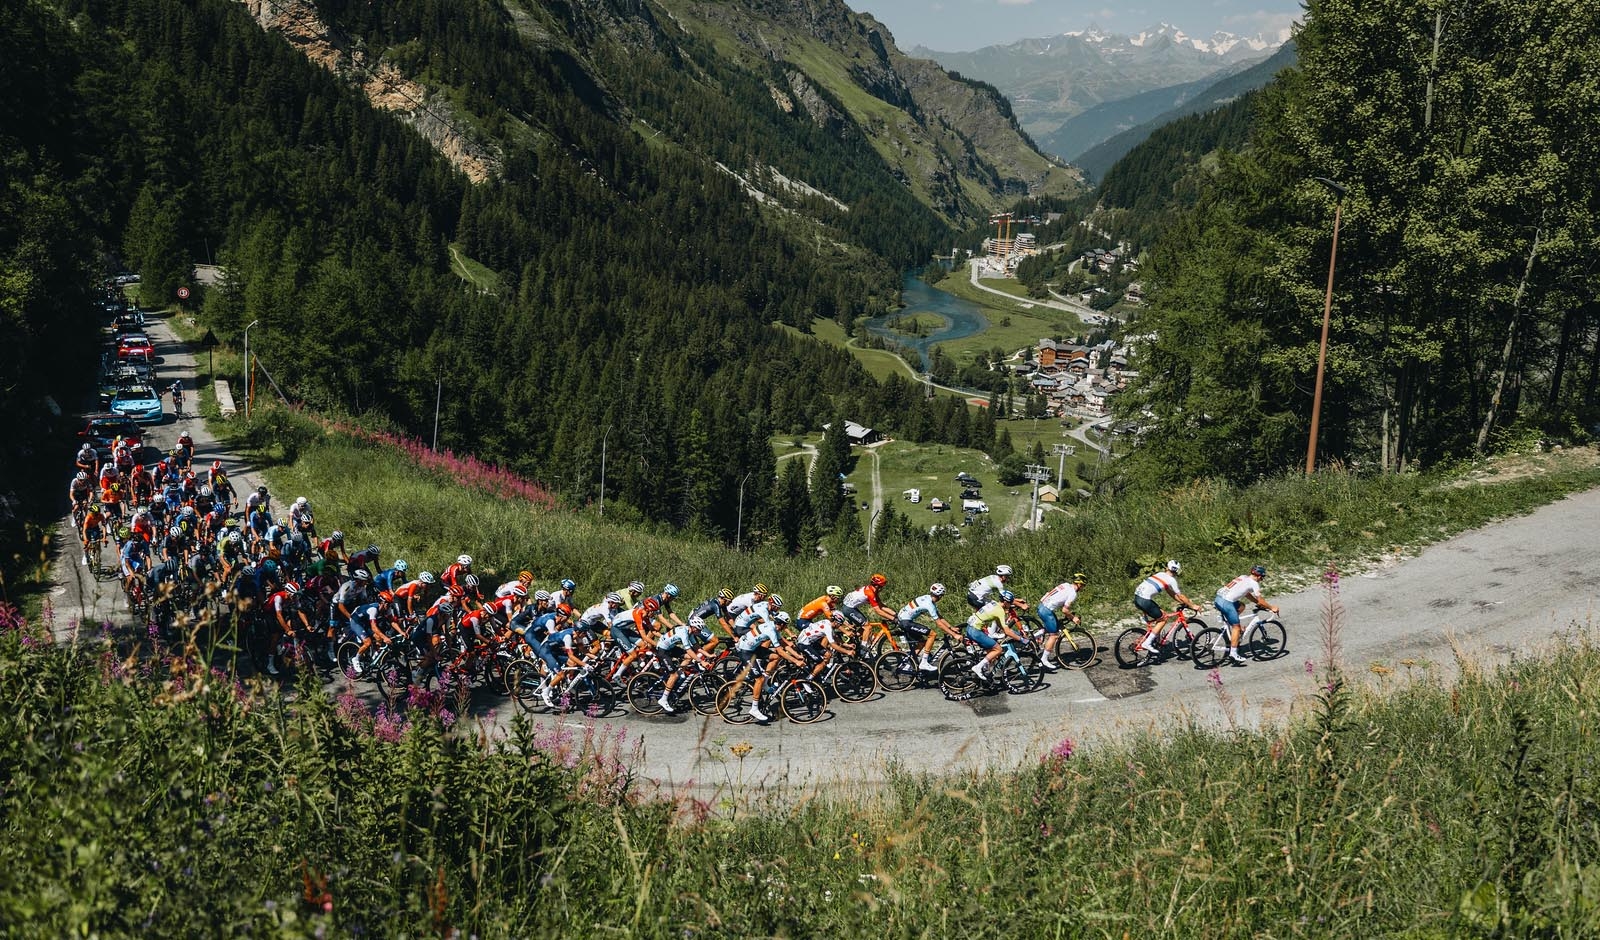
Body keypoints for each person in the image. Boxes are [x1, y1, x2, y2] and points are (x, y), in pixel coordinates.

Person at [1214, 565, 1280, 664]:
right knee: (1236, 627)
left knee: (1241, 606)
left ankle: (1230, 624)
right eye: (1262, 577)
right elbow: (1261, 601)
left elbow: (1247, 594)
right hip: (1226, 603)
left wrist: (1257, 603)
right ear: (1259, 576)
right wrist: (1271, 607)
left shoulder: (1243, 577)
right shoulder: (1254, 583)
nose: (1261, 580)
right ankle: (1233, 653)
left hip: (1219, 599)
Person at [1132, 560, 1199, 654]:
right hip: (1145, 600)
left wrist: (1182, 602)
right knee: (1163, 619)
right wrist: (1192, 605)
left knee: (1160, 614)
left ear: (1166, 568)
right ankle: (1147, 643)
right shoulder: (1172, 580)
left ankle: (1155, 641)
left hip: (1137, 598)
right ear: (1177, 571)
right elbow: (1181, 595)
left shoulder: (1160, 574)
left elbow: (1170, 592)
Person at [965, 590, 1029, 681]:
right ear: (1006, 602)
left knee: (991, 649)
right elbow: (1007, 631)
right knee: (998, 649)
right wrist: (1022, 639)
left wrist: (1006, 632)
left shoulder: (994, 603)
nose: (1010, 605)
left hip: (970, 628)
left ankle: (985, 671)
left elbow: (1000, 625)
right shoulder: (1000, 611)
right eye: (1010, 603)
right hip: (976, 631)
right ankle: (978, 667)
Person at [896, 582, 961, 672]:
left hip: (903, 619)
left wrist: (950, 627)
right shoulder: (929, 604)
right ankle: (924, 662)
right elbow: (939, 623)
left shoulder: (927, 598)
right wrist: (954, 635)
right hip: (906, 622)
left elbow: (939, 617)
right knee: (932, 635)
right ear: (940, 596)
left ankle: (907, 663)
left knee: (922, 642)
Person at [1036, 573, 1087, 670]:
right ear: (1080, 584)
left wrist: (1069, 614)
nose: (1083, 588)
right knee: (1054, 635)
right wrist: (1073, 618)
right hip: (1047, 611)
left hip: (1041, 606)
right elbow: (1064, 610)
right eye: (1083, 585)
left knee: (1054, 626)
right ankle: (1044, 659)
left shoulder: (1065, 585)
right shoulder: (1073, 593)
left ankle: (1034, 637)